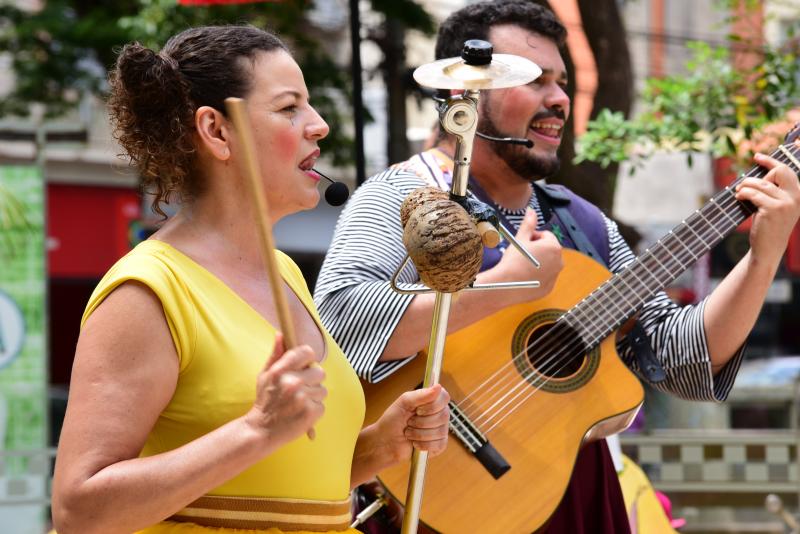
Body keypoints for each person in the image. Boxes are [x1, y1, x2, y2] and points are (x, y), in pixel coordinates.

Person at [313, 1, 800, 532]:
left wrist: (763, 255)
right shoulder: (401, 195)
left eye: (562, 81)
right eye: (534, 80)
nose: (559, 100)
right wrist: (509, 286)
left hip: (570, 498)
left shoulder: (583, 223)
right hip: (432, 491)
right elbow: (341, 323)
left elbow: (680, 359)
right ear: (462, 94)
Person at [51, 25, 450, 534]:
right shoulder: (146, 290)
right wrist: (255, 430)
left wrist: (377, 447)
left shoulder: (284, 271)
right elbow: (79, 512)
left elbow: (270, 494)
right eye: (289, 108)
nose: (320, 125)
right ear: (217, 131)